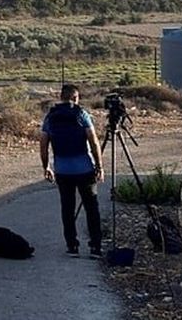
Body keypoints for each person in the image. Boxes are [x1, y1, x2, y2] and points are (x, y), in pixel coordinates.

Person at [40, 84, 104, 259]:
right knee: (92, 208)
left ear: (61, 97)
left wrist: (46, 167)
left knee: (67, 208)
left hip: (62, 170)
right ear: (76, 98)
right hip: (85, 169)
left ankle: (72, 246)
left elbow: (43, 145)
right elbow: (94, 142)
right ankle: (95, 247)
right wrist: (99, 166)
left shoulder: (51, 117)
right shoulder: (81, 114)